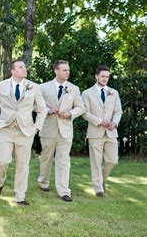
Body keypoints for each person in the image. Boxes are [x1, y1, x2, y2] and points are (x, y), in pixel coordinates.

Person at [0, 60, 46, 205]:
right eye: (20, 67)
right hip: (5, 130)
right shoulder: (0, 85)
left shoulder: (34, 87)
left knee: (23, 165)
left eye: (24, 67)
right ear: (12, 71)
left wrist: (37, 127)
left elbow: (42, 109)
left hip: (26, 131)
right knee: (3, 161)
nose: (24, 69)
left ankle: (20, 196)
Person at [37, 60, 85, 201]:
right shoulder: (43, 87)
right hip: (48, 129)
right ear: (56, 71)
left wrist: (70, 113)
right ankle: (43, 181)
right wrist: (48, 110)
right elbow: (36, 106)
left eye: (68, 70)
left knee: (63, 160)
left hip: (65, 130)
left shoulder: (74, 88)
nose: (67, 72)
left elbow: (81, 107)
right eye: (64, 70)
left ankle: (64, 191)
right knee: (46, 158)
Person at [82, 65, 122, 197]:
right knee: (96, 162)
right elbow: (85, 113)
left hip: (111, 132)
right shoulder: (87, 93)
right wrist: (99, 121)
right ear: (96, 76)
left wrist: (114, 123)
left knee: (113, 160)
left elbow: (118, 111)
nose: (105, 79)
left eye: (107, 76)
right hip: (95, 132)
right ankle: (98, 188)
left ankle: (102, 180)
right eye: (103, 76)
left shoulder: (114, 92)